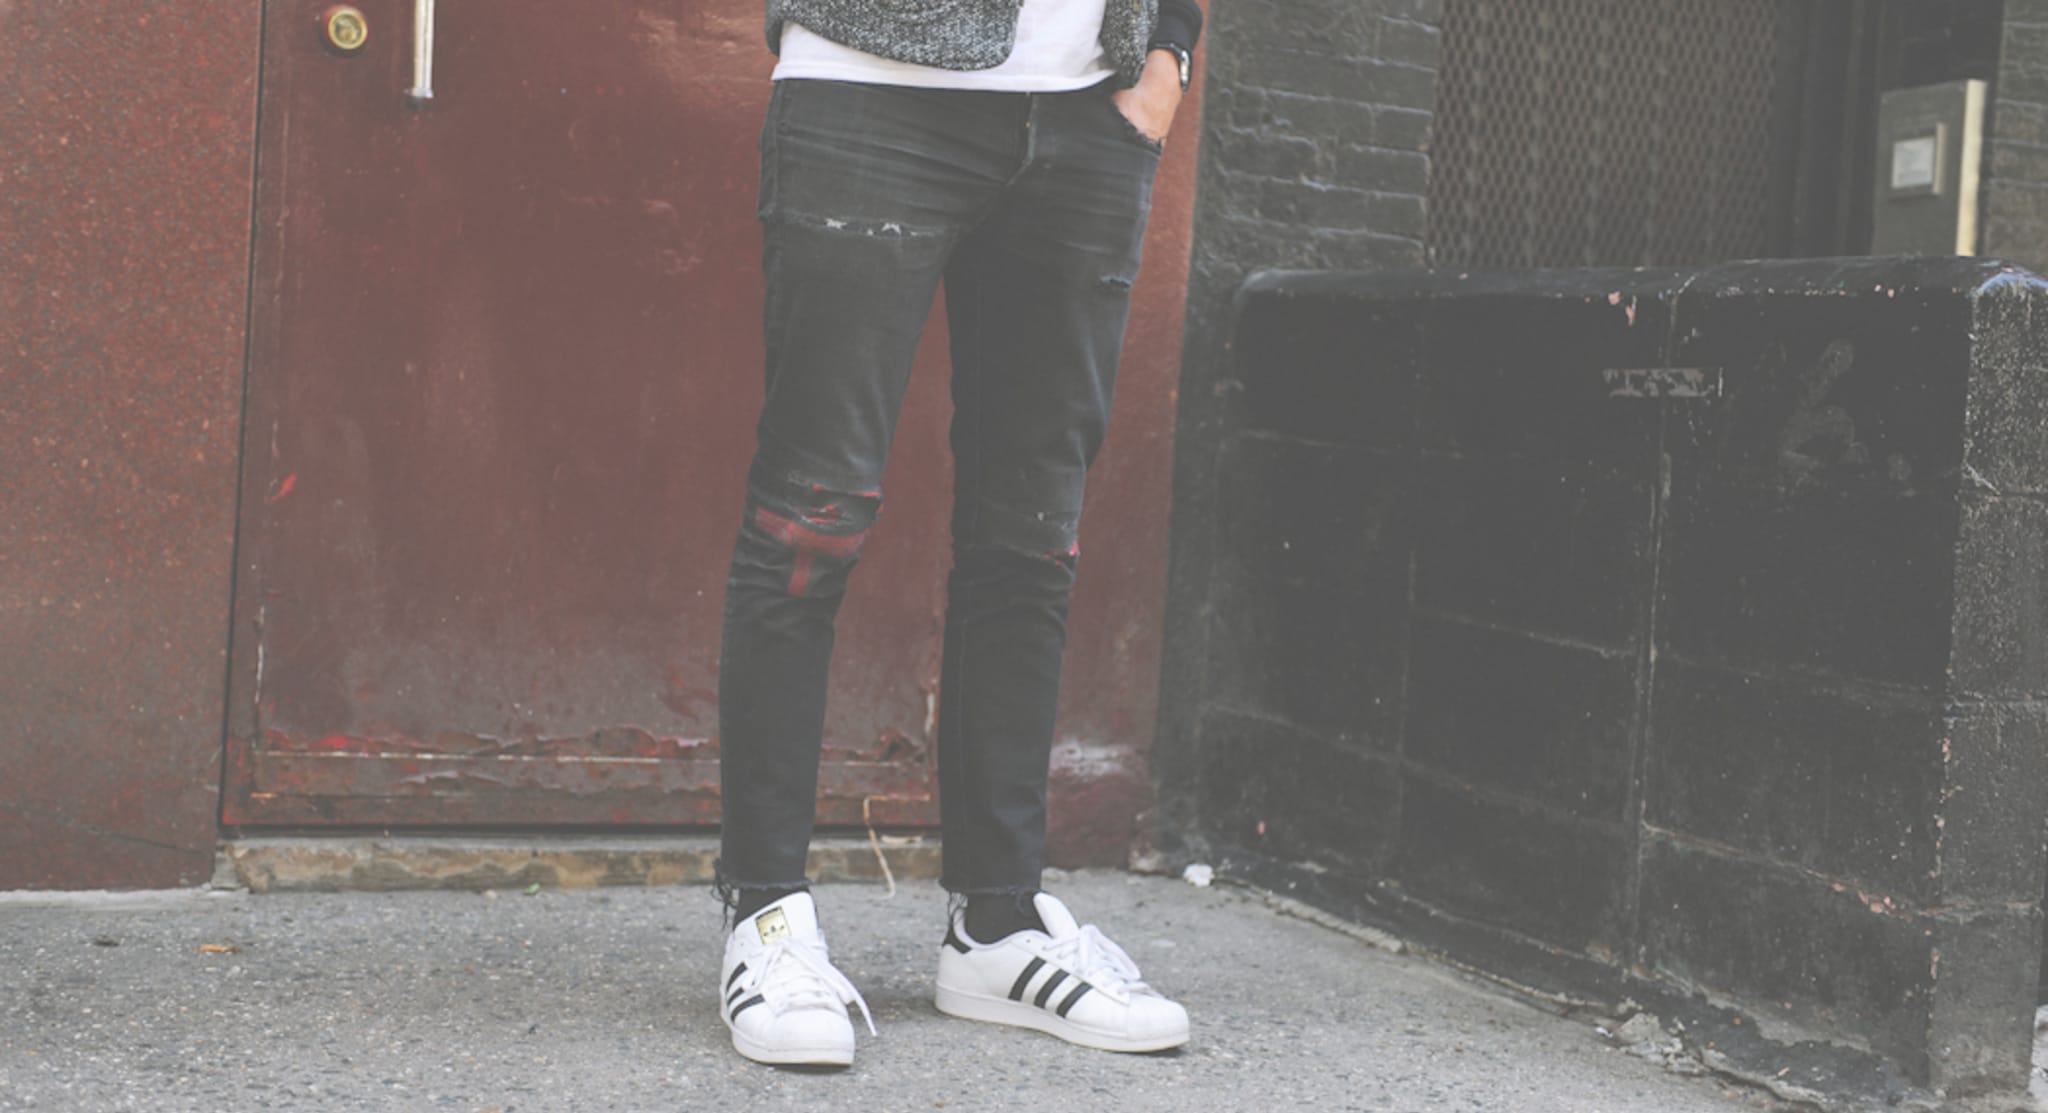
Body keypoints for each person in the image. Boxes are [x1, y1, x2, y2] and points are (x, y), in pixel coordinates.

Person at [713, 0, 1204, 1067]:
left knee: (1031, 535)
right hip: (867, 83)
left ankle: (998, 923)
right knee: (810, 522)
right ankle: (766, 915)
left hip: (1091, 109)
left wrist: (1168, 46)